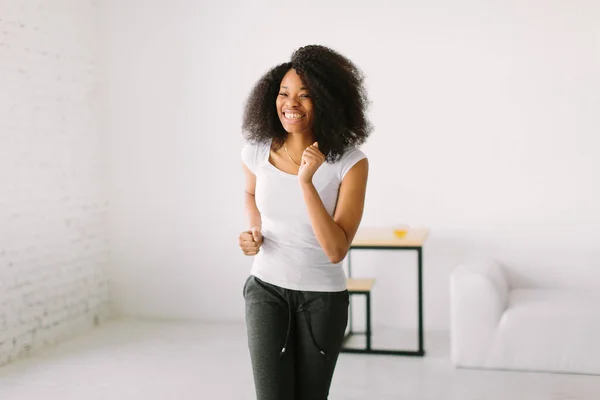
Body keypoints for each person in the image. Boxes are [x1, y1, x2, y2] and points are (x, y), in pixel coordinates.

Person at [238, 44, 372, 400]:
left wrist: (306, 182)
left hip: (322, 300)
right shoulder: (255, 152)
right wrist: (254, 230)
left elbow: (335, 250)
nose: (290, 104)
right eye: (284, 94)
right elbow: (251, 195)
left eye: (304, 95)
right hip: (265, 290)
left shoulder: (351, 163)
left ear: (327, 101)